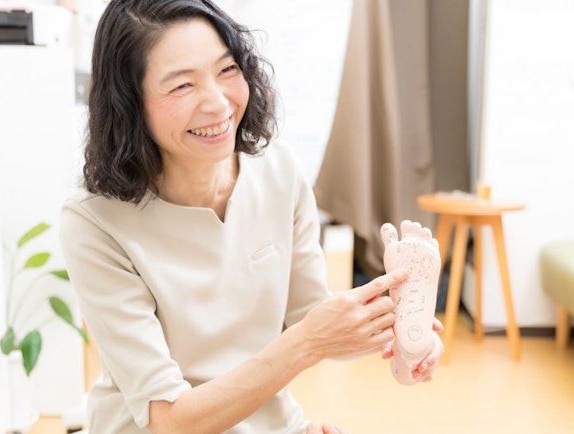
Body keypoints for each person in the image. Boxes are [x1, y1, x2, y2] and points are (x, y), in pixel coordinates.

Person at [59, 1, 444, 433]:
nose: (217, 103)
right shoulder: (94, 221)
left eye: (227, 69)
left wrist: (403, 326)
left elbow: (312, 317)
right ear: (129, 104)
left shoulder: (279, 171)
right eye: (182, 86)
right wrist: (308, 341)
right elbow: (170, 420)